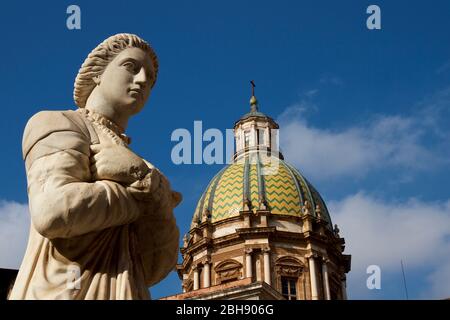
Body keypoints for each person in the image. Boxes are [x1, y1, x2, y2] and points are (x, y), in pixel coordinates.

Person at [9, 33, 181, 300]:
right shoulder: (56, 123)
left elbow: (156, 267)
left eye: (150, 78)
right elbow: (53, 211)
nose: (143, 80)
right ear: (98, 73)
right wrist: (145, 195)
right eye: (131, 67)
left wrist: (145, 182)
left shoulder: (139, 166)